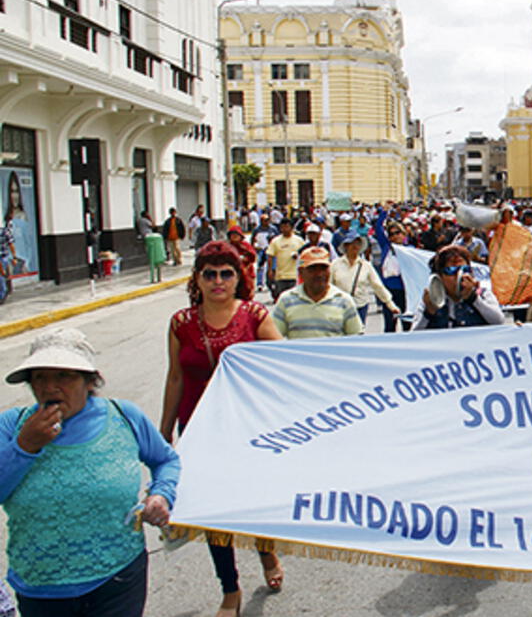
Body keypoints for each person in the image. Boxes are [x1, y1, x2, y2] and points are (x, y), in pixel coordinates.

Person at [1, 328, 179, 617]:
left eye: (63, 376)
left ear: (89, 380)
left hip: (118, 578)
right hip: (41, 587)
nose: (49, 387)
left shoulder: (124, 416)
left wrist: (161, 495)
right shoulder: (12, 425)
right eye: (39, 377)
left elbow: (166, 460)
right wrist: (25, 446)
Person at [160, 242, 283, 617]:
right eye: (209, 273)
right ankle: (230, 589)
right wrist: (163, 433)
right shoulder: (181, 323)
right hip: (198, 431)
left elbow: (282, 366)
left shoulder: (255, 315)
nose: (217, 281)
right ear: (197, 279)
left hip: (246, 429)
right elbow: (176, 377)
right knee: (213, 511)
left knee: (252, 502)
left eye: (225, 273)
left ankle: (267, 553)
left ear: (238, 277)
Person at [272, 247, 363, 338]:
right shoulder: (286, 300)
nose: (319, 274)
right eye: (312, 269)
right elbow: (273, 337)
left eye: (323, 268)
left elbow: (356, 338)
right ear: (301, 272)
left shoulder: (344, 301)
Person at [413, 245, 504, 329]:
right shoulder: (430, 300)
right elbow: (415, 335)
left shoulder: (483, 294)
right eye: (451, 270)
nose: (459, 275)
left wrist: (473, 299)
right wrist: (428, 313)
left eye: (465, 270)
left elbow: (498, 321)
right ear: (439, 276)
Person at [331, 232, 400, 325]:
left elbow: (377, 286)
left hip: (360, 305)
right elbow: (329, 286)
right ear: (346, 246)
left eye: (357, 243)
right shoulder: (335, 265)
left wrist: (390, 304)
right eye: (352, 243)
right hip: (340, 307)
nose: (355, 246)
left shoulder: (365, 265)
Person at [373, 215, 412, 333]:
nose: (395, 236)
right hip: (389, 290)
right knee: (389, 324)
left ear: (404, 234)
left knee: (407, 324)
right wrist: (384, 211)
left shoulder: (410, 250)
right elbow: (378, 227)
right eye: (391, 234)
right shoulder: (386, 247)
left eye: (398, 232)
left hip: (405, 290)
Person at [266, 219, 304, 303]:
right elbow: (270, 256)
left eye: (287, 226)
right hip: (280, 275)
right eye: (282, 227)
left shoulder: (299, 240)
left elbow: (304, 254)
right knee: (282, 300)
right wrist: (270, 270)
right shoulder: (275, 241)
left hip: (294, 275)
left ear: (291, 228)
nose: (285, 229)